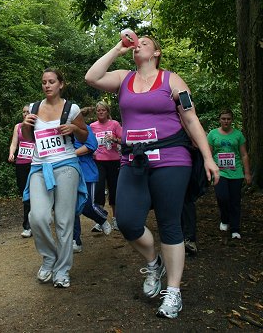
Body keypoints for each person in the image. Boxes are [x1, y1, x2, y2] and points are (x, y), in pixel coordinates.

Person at [85, 34, 219, 319]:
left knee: (170, 223)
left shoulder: (171, 80)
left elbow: (191, 118)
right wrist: (119, 48)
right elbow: (92, 77)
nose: (138, 45)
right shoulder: (123, 78)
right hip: (133, 159)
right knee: (128, 222)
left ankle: (173, 292)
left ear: (156, 52)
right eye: (136, 43)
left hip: (171, 157)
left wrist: (208, 157)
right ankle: (153, 262)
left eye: (145, 42)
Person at [22, 68, 88, 288]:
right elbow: (30, 138)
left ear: (61, 84)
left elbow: (84, 134)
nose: (47, 85)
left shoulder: (71, 108)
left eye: (51, 81)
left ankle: (62, 270)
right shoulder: (33, 108)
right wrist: (25, 126)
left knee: (63, 220)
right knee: (37, 217)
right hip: (40, 166)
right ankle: (49, 258)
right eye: (44, 82)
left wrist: (73, 128)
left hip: (66, 164)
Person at [207, 108, 252, 239]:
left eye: (228, 119)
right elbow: (208, 155)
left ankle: (235, 229)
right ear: (219, 120)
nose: (226, 121)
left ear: (232, 120)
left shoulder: (238, 135)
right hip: (219, 173)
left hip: (236, 172)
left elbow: (244, 155)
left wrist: (247, 173)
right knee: (222, 197)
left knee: (235, 201)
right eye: (223, 118)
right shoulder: (212, 134)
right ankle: (225, 219)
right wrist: (208, 170)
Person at [73, 108, 112, 253]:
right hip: (69, 174)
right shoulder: (62, 133)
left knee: (87, 205)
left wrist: (71, 154)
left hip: (87, 173)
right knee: (72, 209)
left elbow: (91, 146)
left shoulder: (85, 129)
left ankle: (101, 219)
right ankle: (75, 241)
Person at [90, 101, 122, 231]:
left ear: (107, 111)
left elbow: (124, 140)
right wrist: (91, 151)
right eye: (98, 110)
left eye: (103, 110)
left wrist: (114, 139)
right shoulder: (92, 126)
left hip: (113, 160)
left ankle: (115, 220)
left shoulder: (114, 124)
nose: (101, 112)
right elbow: (88, 142)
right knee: (98, 189)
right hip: (98, 161)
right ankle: (100, 219)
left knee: (114, 189)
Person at [8, 105, 34, 237]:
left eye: (27, 112)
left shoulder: (37, 126)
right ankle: (30, 224)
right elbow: (14, 143)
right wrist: (11, 153)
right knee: (25, 194)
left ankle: (28, 225)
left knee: (34, 193)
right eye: (23, 112)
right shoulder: (18, 127)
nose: (25, 114)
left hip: (35, 164)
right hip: (21, 163)